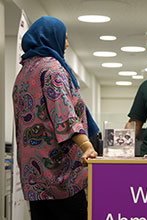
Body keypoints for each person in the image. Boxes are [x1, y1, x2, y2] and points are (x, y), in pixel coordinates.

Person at [12, 16, 99, 220]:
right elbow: (64, 116)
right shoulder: (52, 69)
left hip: (33, 175)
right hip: (60, 174)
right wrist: (87, 146)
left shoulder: (24, 72)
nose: (67, 43)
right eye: (65, 37)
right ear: (51, 37)